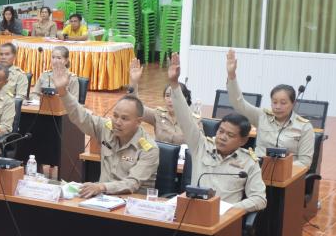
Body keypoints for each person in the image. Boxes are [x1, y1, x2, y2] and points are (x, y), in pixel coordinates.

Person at [167, 54, 266, 213]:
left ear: (243, 140)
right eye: (221, 131)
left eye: (230, 135)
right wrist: (174, 84)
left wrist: (229, 209)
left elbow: (260, 199)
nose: (222, 137)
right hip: (193, 212)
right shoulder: (201, 145)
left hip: (224, 220)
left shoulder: (248, 162)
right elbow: (185, 118)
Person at [52, 59, 159, 198]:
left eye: (124, 118)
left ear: (138, 122)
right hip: (102, 199)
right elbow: (82, 117)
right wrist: (63, 92)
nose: (117, 122)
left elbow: (132, 183)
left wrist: (101, 187)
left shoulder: (148, 149)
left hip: (131, 206)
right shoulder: (107, 128)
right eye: (115, 116)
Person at [225, 49, 314, 167]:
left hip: (288, 177)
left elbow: (305, 162)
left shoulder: (304, 127)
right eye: (274, 102)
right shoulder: (262, 116)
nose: (278, 107)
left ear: (293, 103)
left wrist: (281, 170)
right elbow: (239, 104)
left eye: (283, 103)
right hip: (257, 171)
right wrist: (232, 76)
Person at [128, 58, 201, 145]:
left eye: (175, 96)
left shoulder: (194, 119)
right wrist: (133, 82)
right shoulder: (158, 115)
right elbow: (136, 108)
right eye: (167, 96)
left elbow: (200, 145)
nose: (170, 100)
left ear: (185, 98)